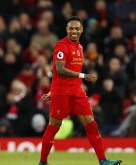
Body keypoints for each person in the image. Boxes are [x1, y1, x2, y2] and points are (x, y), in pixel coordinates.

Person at [38, 16, 122, 165]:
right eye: (71, 28)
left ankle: (103, 160)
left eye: (77, 28)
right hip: (62, 93)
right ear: (67, 30)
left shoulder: (80, 47)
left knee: (91, 124)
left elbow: (67, 71)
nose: (74, 31)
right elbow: (60, 70)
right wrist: (83, 76)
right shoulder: (61, 46)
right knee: (54, 127)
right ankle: (43, 162)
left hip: (77, 92)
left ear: (82, 30)